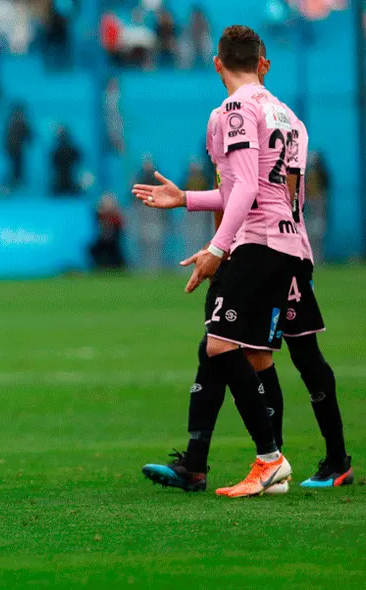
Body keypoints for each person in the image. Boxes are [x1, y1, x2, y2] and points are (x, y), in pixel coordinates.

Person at [133, 27, 347, 497]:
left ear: (216, 63)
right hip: (291, 244)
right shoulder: (289, 116)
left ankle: (270, 458)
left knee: (221, 346)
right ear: (261, 63)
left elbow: (246, 190)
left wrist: (216, 249)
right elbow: (266, 191)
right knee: (250, 350)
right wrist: (186, 198)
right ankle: (208, 463)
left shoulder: (234, 110)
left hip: (259, 243)